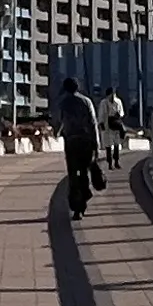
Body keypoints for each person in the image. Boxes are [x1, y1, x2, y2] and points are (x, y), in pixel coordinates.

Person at [53, 73, 102, 212]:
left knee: (73, 173)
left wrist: (57, 132)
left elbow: (59, 121)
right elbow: (93, 123)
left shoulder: (63, 103)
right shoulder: (86, 101)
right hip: (86, 141)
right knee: (84, 171)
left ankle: (76, 206)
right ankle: (85, 194)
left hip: (71, 141)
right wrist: (96, 144)